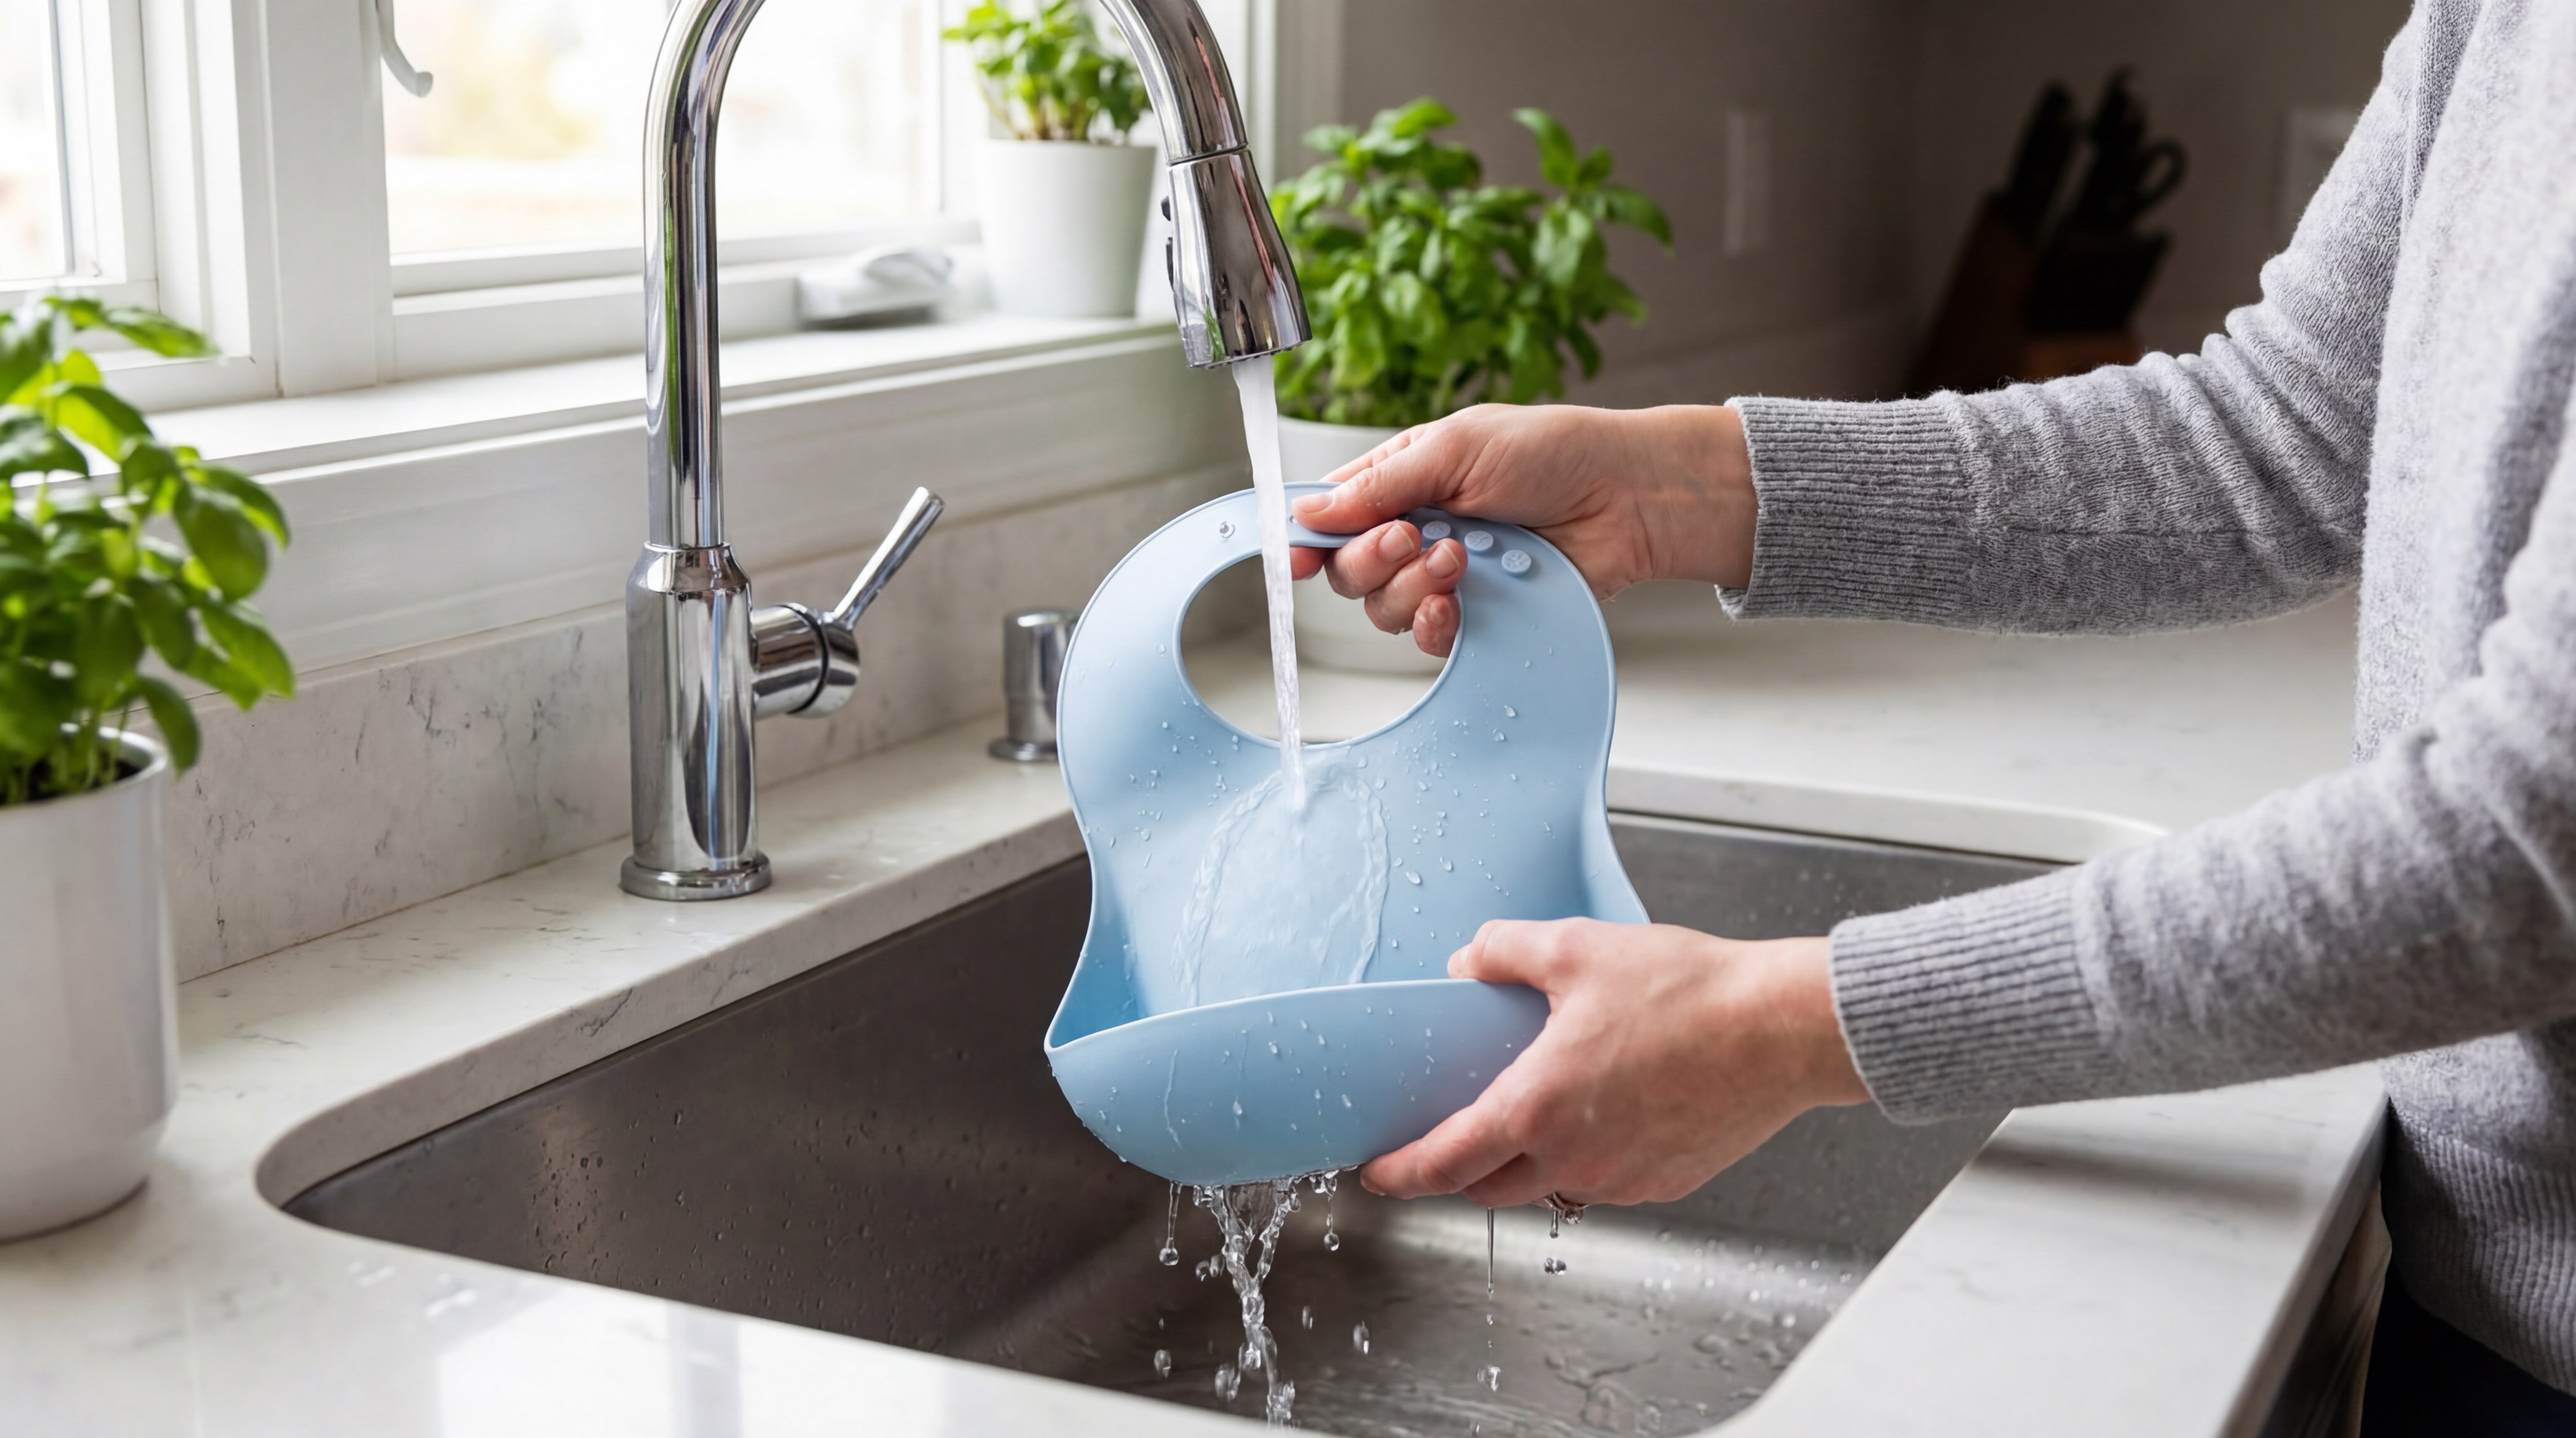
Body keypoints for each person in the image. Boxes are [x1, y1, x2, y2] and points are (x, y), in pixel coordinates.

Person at [1283, 5, 2576, 1432]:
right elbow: (2278, 440)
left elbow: (2528, 849)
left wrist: (1779, 1026)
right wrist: (1677, 486)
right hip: (2489, 1278)